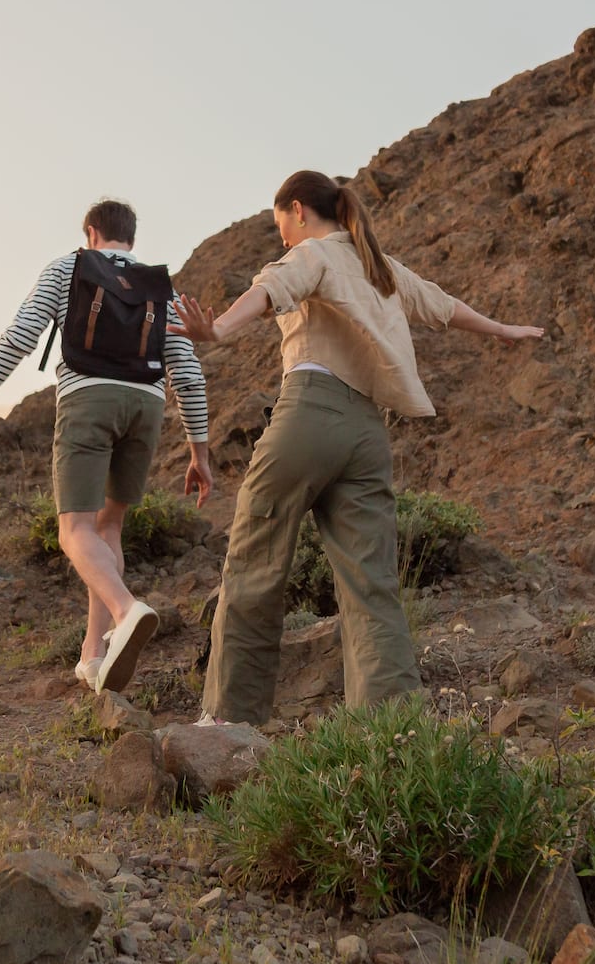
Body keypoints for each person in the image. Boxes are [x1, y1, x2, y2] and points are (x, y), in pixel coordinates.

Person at [173, 171, 544, 725]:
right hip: (368, 435)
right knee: (372, 585)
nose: (282, 238)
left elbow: (269, 288)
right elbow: (442, 306)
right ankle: (392, 730)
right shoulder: (380, 265)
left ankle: (228, 721)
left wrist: (218, 330)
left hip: (309, 414)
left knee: (254, 560)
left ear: (298, 210)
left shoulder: (314, 252)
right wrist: (506, 330)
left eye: (281, 226)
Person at [0, 199, 212, 694]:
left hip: (89, 398)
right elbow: (188, 372)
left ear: (91, 232)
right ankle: (95, 655)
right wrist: (200, 452)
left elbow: (23, 332)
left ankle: (126, 610)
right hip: (146, 408)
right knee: (108, 526)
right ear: (130, 237)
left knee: (73, 530)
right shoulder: (160, 284)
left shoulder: (70, 267)